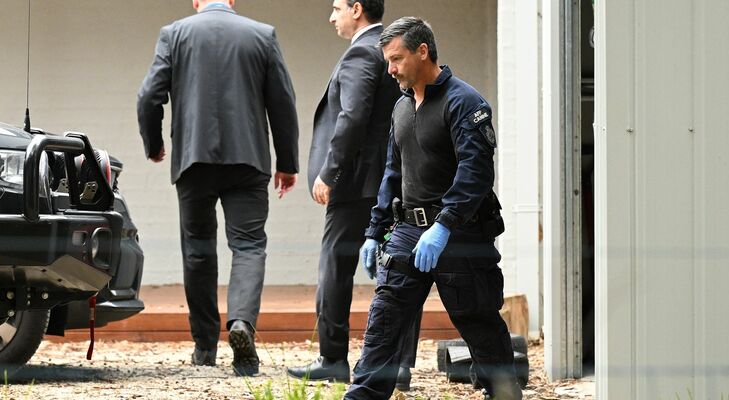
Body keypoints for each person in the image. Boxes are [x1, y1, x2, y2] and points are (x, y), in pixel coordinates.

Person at [344, 17, 522, 400]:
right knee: (384, 322)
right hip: (408, 233)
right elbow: (393, 173)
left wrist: (443, 226)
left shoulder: (465, 103)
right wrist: (375, 231)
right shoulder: (401, 108)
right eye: (388, 61)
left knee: (480, 325)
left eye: (396, 59)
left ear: (422, 51)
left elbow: (475, 173)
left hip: (460, 234)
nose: (390, 70)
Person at [136, 0, 299, 376]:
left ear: (196, 0)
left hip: (193, 161)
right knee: (249, 245)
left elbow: (148, 96)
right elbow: (282, 102)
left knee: (197, 250)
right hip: (249, 160)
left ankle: (205, 346)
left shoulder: (174, 34)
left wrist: (154, 144)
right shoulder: (262, 35)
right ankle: (241, 323)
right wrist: (287, 163)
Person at [287, 0, 420, 390]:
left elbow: (353, 116)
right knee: (399, 269)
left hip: (357, 183)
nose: (332, 17)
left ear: (357, 9)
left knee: (335, 266)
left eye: (337, 8)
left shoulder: (362, 53)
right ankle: (398, 365)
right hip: (396, 180)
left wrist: (331, 171)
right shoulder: (394, 50)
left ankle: (332, 358)